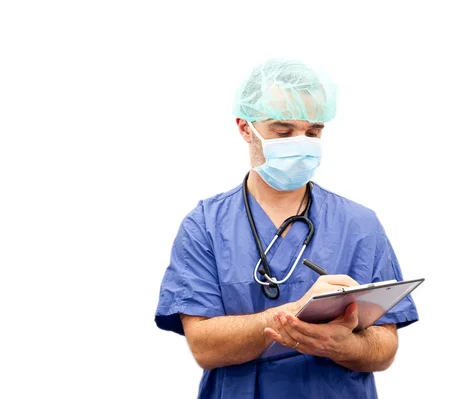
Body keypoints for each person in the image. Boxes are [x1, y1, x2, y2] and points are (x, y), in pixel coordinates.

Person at [155, 58, 419, 399]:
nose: (301, 143)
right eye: (283, 131)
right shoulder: (205, 225)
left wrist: (343, 346)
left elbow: (384, 349)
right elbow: (205, 348)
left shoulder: (360, 225)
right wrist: (297, 311)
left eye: (313, 132)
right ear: (245, 127)